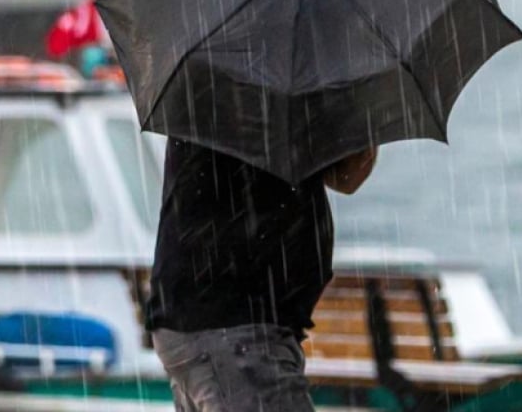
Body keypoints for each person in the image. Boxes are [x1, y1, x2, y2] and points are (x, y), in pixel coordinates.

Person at [146, 140, 378, 412]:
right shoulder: (242, 103)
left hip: (227, 322)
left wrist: (359, 118)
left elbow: (346, 177)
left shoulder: (288, 110)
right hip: (230, 323)